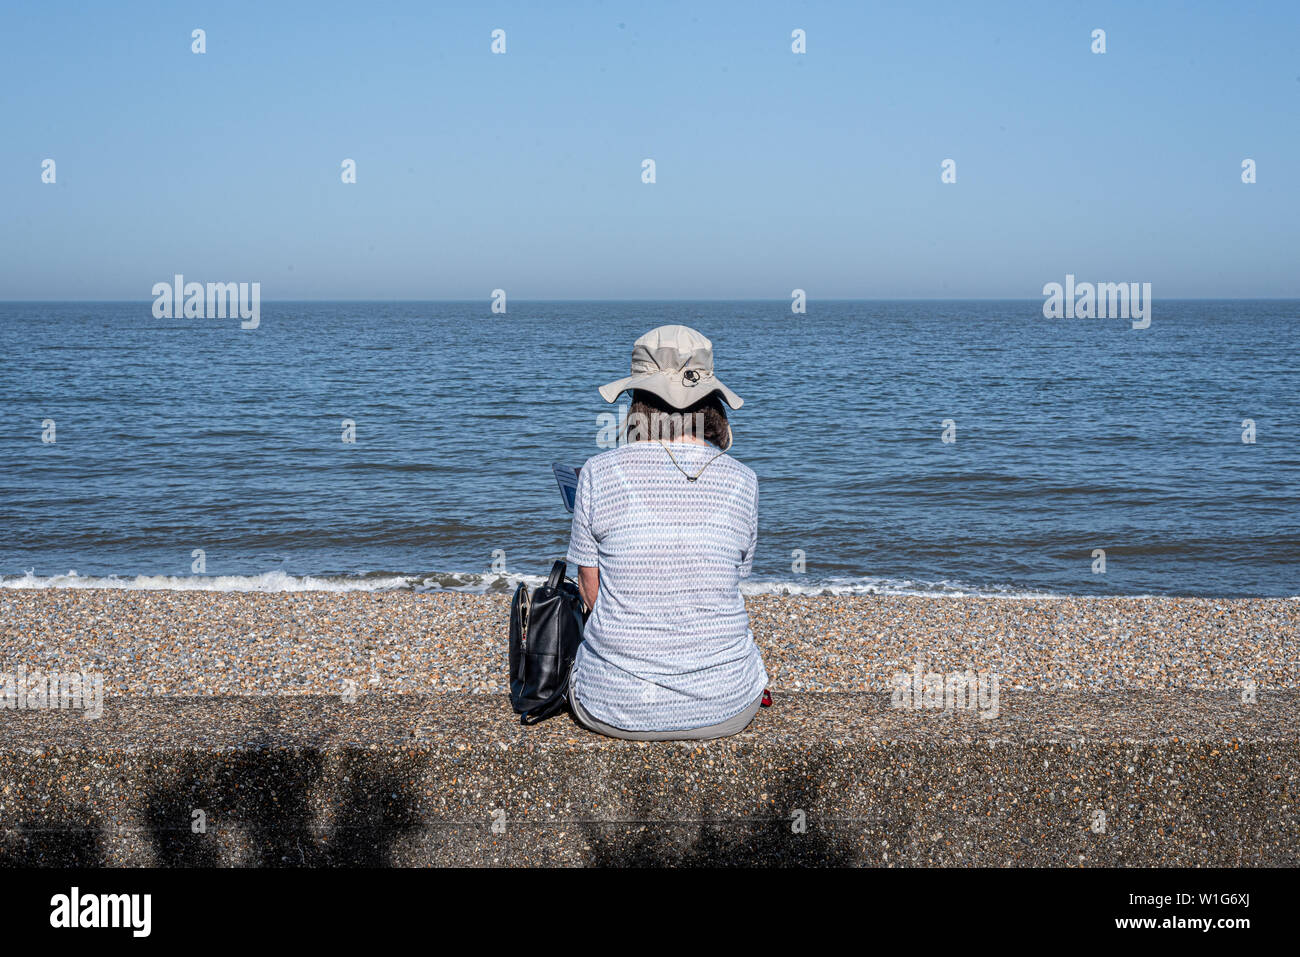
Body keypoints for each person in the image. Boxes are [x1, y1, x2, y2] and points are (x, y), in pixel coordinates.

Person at [565, 325, 768, 740]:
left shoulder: (597, 473)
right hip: (725, 703)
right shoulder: (744, 480)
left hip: (611, 704)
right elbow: (730, 579)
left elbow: (591, 592)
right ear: (713, 403)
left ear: (637, 400)